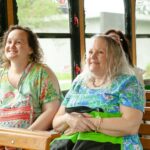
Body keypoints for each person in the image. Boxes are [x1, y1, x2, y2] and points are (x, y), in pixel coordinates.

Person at [50, 34, 145, 150]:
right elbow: (56, 123)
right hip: (75, 145)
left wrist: (85, 123)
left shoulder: (128, 83)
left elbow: (130, 126)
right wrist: (69, 119)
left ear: (114, 58)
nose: (93, 57)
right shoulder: (79, 83)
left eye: (100, 52)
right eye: (90, 52)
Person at [0, 25, 62, 130]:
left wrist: (25, 138)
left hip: (32, 139)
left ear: (31, 49)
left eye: (18, 42)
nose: (12, 46)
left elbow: (51, 110)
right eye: (9, 42)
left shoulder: (42, 73)